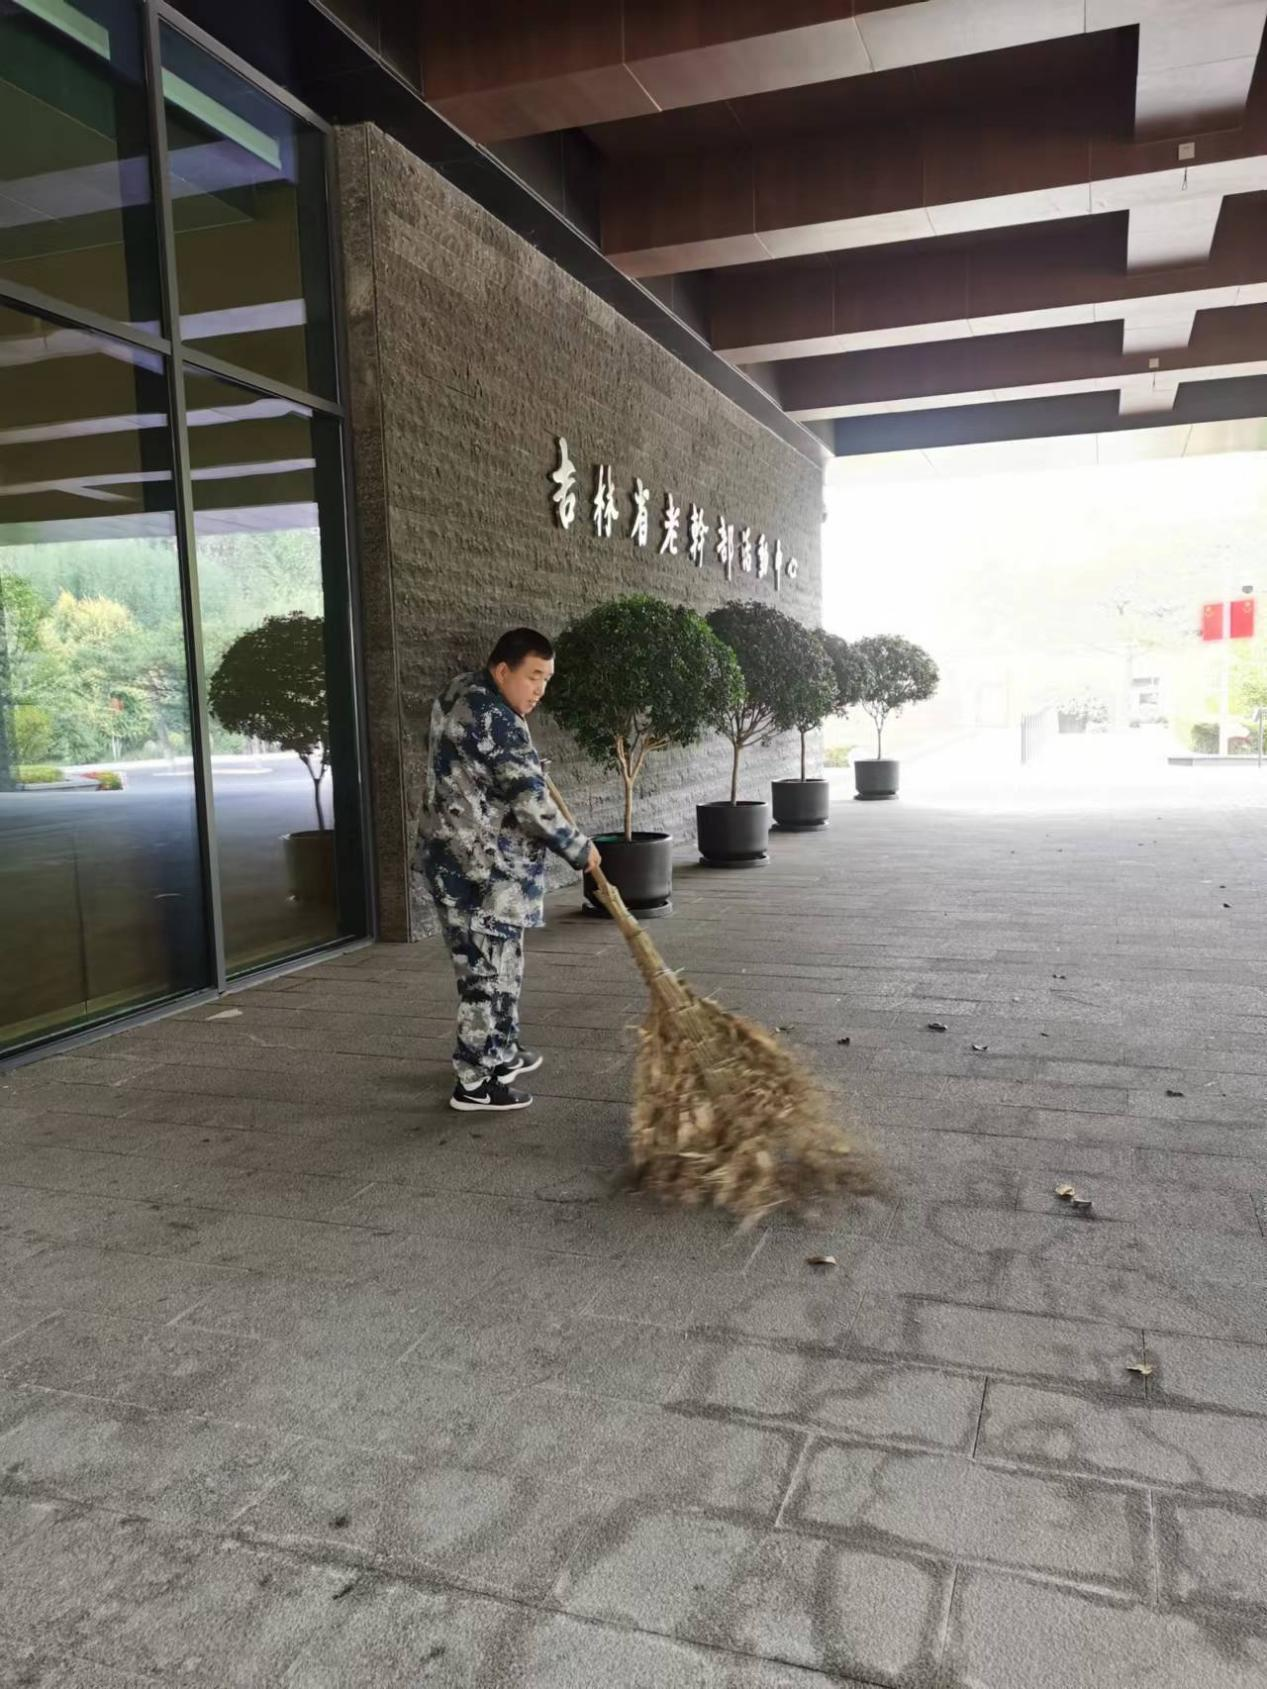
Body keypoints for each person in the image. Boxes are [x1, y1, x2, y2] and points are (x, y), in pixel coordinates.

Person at [418, 627, 601, 1112]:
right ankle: (476, 1083)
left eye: (547, 678)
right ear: (503, 671)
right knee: (486, 974)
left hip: (454, 859)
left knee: (502, 964)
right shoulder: (499, 720)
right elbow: (531, 806)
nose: (540, 689)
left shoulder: (460, 690)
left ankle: (501, 1051)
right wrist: (580, 849)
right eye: (533, 676)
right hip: (481, 872)